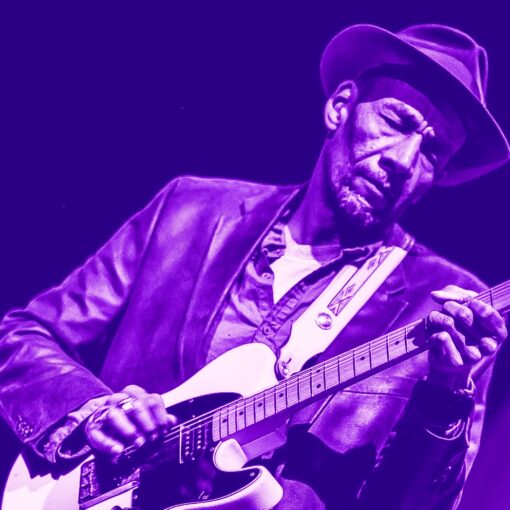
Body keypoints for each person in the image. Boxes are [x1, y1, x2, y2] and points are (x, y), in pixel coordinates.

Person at [0, 23, 508, 510]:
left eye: (432, 152)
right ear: (340, 107)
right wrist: (94, 413)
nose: (403, 160)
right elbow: (24, 335)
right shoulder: (189, 211)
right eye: (396, 122)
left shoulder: (447, 306)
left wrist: (446, 393)